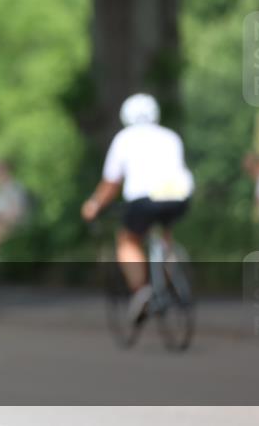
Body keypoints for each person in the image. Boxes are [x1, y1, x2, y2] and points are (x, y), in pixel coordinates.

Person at [81, 93, 194, 324]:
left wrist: (94, 205)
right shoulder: (170, 136)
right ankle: (171, 275)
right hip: (179, 198)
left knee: (128, 240)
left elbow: (111, 184)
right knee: (164, 233)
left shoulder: (124, 138)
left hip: (144, 199)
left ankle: (141, 291)